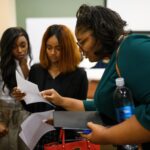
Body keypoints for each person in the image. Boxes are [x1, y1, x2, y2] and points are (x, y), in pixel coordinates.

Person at [40, 4, 150, 150]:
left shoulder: (131, 48)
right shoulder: (116, 58)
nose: (80, 49)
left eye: (83, 41)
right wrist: (62, 106)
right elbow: (105, 107)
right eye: (78, 43)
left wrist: (107, 135)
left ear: (100, 33)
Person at [13, 24, 88, 150]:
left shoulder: (79, 75)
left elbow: (80, 114)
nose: (53, 53)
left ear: (68, 49)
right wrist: (22, 97)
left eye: (58, 48)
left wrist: (58, 120)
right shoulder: (37, 70)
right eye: (49, 48)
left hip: (67, 138)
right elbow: (32, 107)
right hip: (39, 136)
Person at [0, 27, 32, 150]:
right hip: (5, 120)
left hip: (25, 120)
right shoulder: (2, 67)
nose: (19, 50)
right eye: (14, 47)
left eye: (23, 45)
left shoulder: (29, 65)